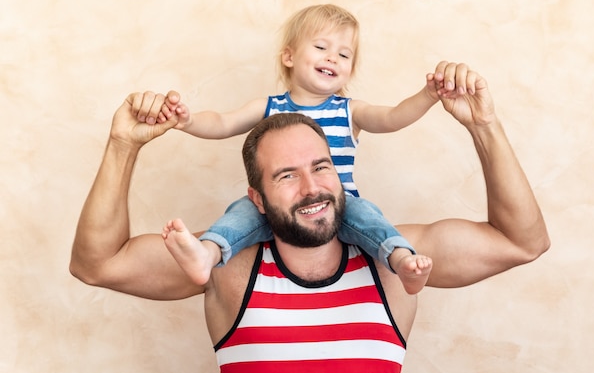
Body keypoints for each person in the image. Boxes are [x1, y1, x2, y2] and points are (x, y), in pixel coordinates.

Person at [70, 61, 550, 372]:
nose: (312, 187)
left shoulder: (393, 261)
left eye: (322, 167)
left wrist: (485, 127)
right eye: (286, 176)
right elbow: (98, 264)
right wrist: (122, 145)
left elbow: (521, 242)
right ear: (256, 200)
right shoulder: (229, 266)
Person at [142, 4, 441, 294]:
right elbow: (222, 123)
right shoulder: (269, 107)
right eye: (321, 48)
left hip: (340, 205)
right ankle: (206, 255)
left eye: (344, 54)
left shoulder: (350, 111)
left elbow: (393, 118)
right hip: (279, 208)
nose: (333, 58)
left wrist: (428, 95)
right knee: (240, 213)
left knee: (370, 218)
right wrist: (188, 120)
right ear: (289, 56)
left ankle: (403, 262)